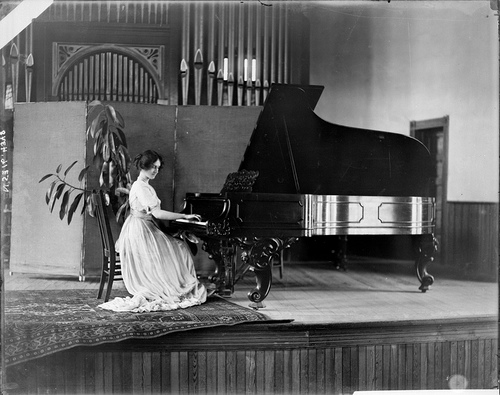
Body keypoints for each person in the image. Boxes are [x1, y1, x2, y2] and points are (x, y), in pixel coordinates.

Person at [98, 149, 208, 312]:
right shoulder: (141, 187)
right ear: (144, 167)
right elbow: (157, 213)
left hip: (143, 226)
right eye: (153, 167)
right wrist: (185, 216)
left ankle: (174, 282)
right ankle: (171, 284)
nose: (156, 171)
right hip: (139, 232)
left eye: (158, 167)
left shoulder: (143, 185)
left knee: (177, 246)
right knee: (178, 247)